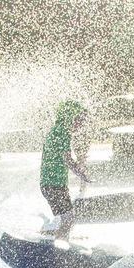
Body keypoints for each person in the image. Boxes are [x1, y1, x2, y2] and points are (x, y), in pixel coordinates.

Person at [39, 100, 92, 240]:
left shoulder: (56, 130)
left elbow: (62, 157)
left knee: (68, 218)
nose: (81, 124)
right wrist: (82, 175)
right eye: (79, 120)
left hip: (51, 183)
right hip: (54, 184)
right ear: (70, 117)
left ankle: (62, 240)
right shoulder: (62, 133)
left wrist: (79, 164)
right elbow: (67, 159)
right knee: (68, 219)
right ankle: (60, 247)